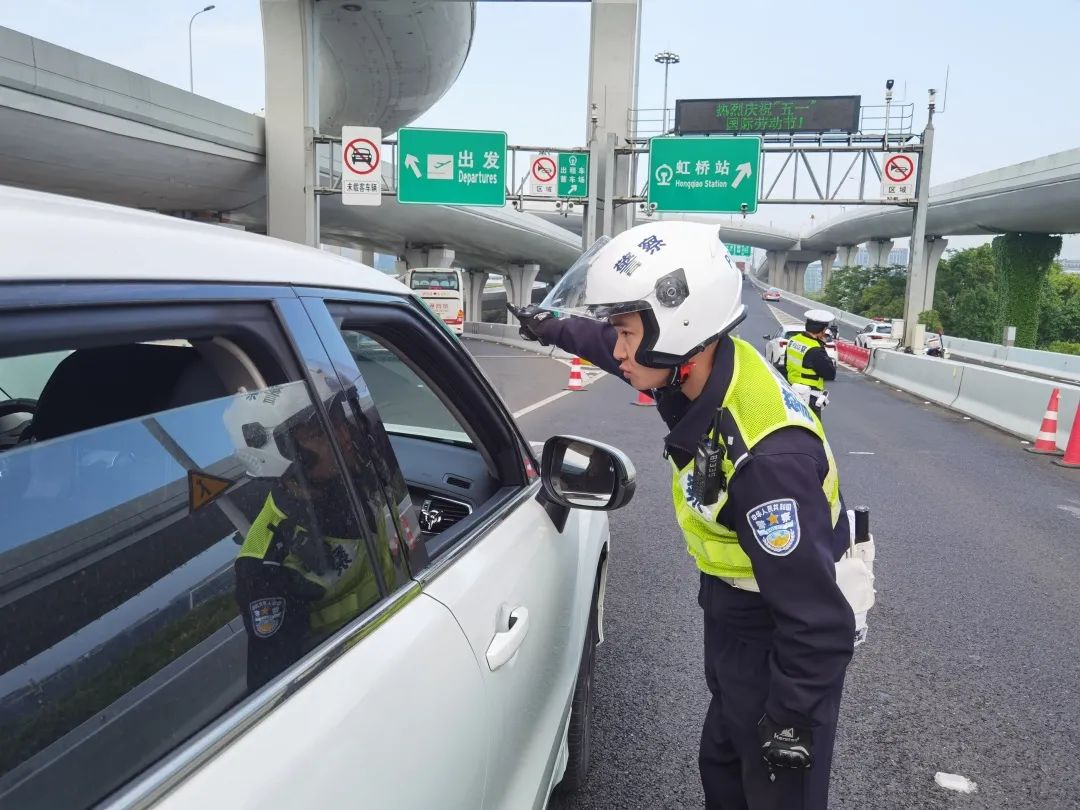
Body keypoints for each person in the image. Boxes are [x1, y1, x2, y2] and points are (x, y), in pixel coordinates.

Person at [508, 221, 856, 810]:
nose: (616, 351)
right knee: (721, 765)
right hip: (737, 612)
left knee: (768, 790)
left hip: (776, 634)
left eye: (624, 333)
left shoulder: (767, 460)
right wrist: (553, 328)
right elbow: (611, 351)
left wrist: (792, 718)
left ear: (679, 327)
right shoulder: (700, 369)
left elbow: (818, 622)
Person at [224, 384, 401, 690]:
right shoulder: (265, 563)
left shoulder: (350, 477)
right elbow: (279, 689)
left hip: (400, 629)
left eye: (337, 421)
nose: (343, 435)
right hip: (358, 681)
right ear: (279, 453)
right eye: (321, 431)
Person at [781, 310, 837, 417]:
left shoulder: (793, 340)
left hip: (791, 394)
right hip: (809, 398)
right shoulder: (815, 349)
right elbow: (830, 373)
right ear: (823, 330)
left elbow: (786, 364)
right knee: (813, 431)